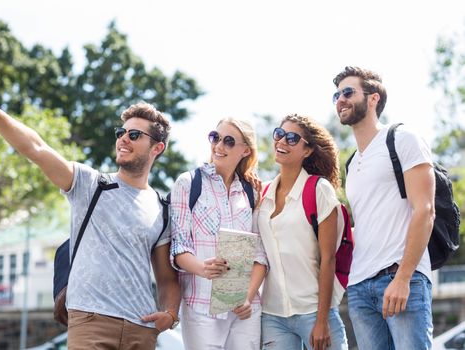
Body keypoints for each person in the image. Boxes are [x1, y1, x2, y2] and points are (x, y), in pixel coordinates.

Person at [0, 82, 181, 350]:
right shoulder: (90, 184)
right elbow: (36, 148)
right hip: (91, 322)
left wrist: (170, 314)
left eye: (134, 135)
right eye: (121, 132)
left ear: (157, 148)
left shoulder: (161, 208)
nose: (123, 139)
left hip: (141, 330)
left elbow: (167, 278)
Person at [332, 66, 435, 349]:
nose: (340, 99)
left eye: (348, 92)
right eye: (337, 95)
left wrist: (403, 277)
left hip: (401, 278)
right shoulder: (351, 163)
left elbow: (425, 210)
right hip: (360, 288)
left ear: (373, 98)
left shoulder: (402, 139)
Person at [169, 118, 268, 349]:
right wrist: (202, 268)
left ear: (245, 150)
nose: (219, 146)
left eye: (229, 141)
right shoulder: (188, 183)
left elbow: (260, 254)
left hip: (244, 308)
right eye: (215, 137)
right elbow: (179, 247)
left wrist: (248, 297)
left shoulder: (250, 192)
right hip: (201, 306)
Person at [257, 114, 348, 350]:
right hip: (273, 315)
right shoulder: (262, 195)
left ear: (307, 151)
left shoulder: (319, 190)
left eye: (292, 138)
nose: (281, 142)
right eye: (279, 134)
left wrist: (321, 321)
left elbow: (328, 259)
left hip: (314, 311)